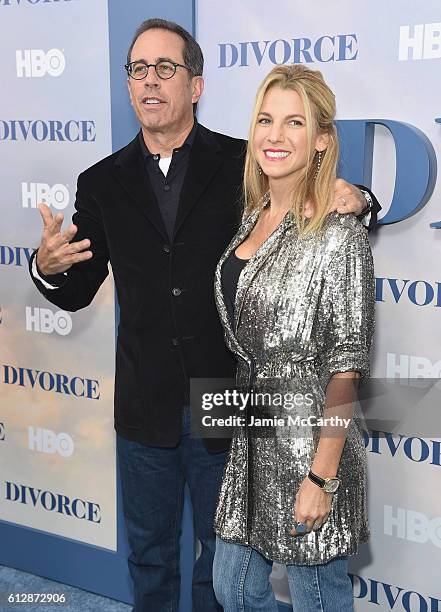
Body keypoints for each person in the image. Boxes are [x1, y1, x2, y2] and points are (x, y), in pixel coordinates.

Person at [28, 18, 378, 612]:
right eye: (138, 70)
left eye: (166, 68)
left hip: (233, 405)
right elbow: (78, 290)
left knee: (224, 564)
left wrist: (361, 199)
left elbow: (311, 212)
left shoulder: (247, 165)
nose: (150, 82)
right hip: (145, 402)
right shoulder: (101, 182)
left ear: (195, 85)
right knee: (150, 553)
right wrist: (46, 267)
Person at [212, 64, 375, 612]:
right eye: (265, 120)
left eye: (294, 123)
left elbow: (346, 368)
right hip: (253, 437)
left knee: (316, 600)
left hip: (311, 448)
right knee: (232, 587)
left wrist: (322, 478)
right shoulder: (255, 213)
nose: (274, 136)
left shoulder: (337, 232)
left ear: (323, 139)